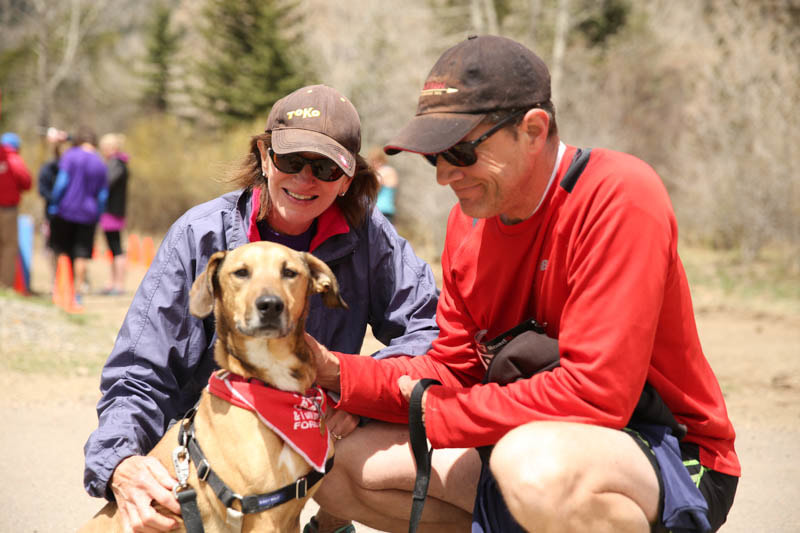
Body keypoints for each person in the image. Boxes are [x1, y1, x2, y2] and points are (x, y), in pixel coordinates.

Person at [308, 35, 740, 533]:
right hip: (522, 436)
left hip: (662, 449)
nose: (445, 175)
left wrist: (437, 415)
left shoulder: (618, 195)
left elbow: (597, 395)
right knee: (335, 466)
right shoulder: (466, 225)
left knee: (530, 467)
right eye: (433, 157)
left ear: (533, 130)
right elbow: (453, 367)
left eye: (461, 151)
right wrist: (334, 373)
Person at [83, 85, 476, 533]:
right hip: (211, 462)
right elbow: (140, 371)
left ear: (347, 178)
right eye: (291, 161)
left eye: (326, 168)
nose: (306, 180)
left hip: (313, 435)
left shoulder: (370, 238)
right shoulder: (201, 234)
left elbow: (434, 328)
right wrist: (119, 464)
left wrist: (357, 389)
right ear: (266, 157)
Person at [49, 126, 108, 300]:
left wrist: (54, 202)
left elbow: (61, 182)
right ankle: (77, 293)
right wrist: (99, 212)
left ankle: (59, 289)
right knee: (81, 254)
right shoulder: (100, 162)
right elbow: (103, 195)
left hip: (66, 211)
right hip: (88, 214)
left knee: (61, 251)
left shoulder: (70, 155)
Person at [98, 133, 130, 295]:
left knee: (116, 248)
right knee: (112, 247)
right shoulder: (115, 163)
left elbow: (107, 183)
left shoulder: (116, 164)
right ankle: (112, 282)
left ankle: (119, 284)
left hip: (113, 211)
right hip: (110, 211)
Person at [0, 132, 32, 288]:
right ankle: (5, 284)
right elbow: (26, 182)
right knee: (8, 246)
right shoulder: (14, 159)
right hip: (7, 209)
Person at [37, 127, 69, 282]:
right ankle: (56, 280)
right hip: (53, 213)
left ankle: (62, 279)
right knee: (53, 249)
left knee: (62, 249)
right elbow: (42, 189)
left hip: (66, 212)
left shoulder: (73, 167)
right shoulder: (48, 168)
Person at [367, 147, 399, 223]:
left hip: (382, 210)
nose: (374, 164)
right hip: (383, 210)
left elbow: (374, 186)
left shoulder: (385, 171)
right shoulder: (389, 171)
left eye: (376, 161)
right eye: (373, 161)